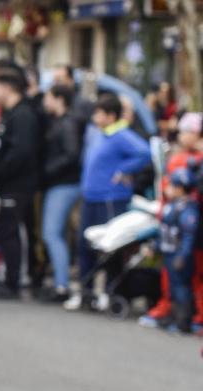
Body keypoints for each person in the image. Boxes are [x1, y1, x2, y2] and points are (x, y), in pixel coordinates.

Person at [66, 92, 152, 311]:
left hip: (110, 198)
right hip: (91, 197)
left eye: (100, 114)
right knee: (84, 244)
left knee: (110, 246)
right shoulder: (98, 133)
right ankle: (86, 292)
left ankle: (110, 292)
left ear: (111, 116)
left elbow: (144, 152)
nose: (95, 118)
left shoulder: (122, 135)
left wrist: (123, 170)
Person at [140, 112, 203, 329]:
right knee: (173, 277)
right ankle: (172, 310)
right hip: (172, 229)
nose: (182, 135)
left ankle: (189, 317)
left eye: (188, 131)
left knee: (191, 277)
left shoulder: (196, 162)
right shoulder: (180, 157)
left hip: (190, 232)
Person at [0, 70, 40, 300]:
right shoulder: (10, 114)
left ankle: (13, 282)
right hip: (8, 182)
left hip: (18, 184)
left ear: (8, 87)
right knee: (7, 231)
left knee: (10, 231)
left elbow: (20, 152)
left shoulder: (23, 115)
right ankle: (11, 278)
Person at [38, 84, 84, 303]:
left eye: (48, 97)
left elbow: (71, 154)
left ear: (59, 99)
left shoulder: (68, 123)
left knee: (52, 234)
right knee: (56, 234)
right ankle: (60, 281)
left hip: (64, 184)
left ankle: (61, 284)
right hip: (61, 184)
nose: (45, 101)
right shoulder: (60, 122)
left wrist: (47, 171)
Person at [151, 166, 198, 333]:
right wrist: (156, 246)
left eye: (172, 185)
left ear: (180, 188)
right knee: (171, 286)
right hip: (168, 252)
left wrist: (183, 255)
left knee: (181, 287)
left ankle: (183, 321)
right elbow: (163, 229)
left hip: (178, 255)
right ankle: (173, 315)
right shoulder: (172, 205)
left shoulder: (188, 208)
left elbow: (188, 235)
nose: (168, 188)